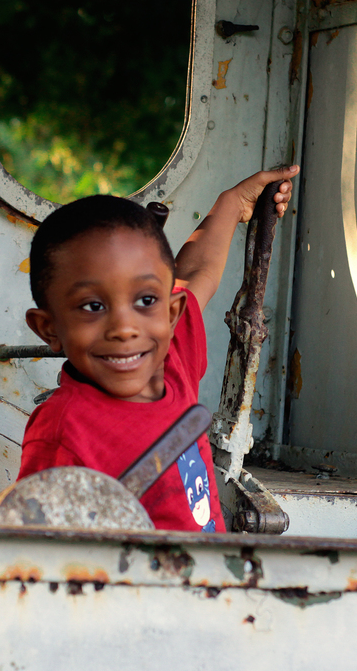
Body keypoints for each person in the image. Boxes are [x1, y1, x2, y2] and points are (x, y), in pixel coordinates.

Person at [18, 165, 299, 532]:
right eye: (93, 306)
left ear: (171, 312)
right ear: (48, 328)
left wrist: (232, 204)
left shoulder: (171, 359)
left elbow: (196, 274)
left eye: (146, 299)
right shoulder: (63, 432)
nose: (125, 328)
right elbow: (38, 549)